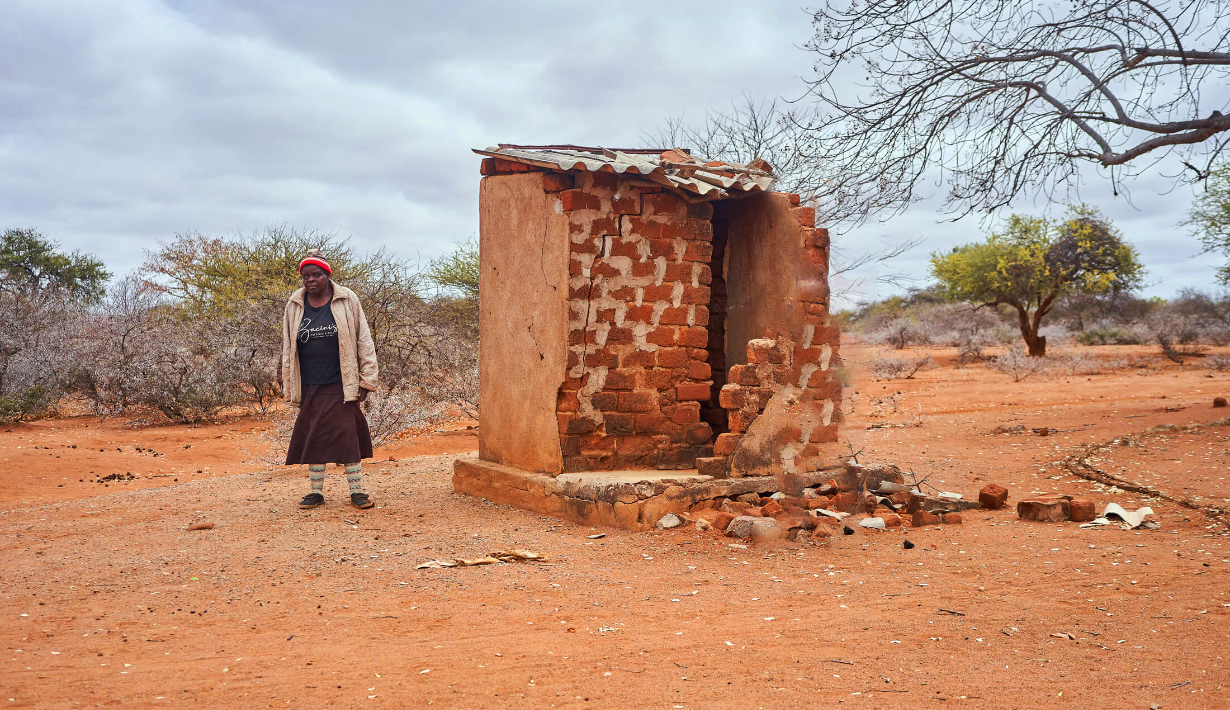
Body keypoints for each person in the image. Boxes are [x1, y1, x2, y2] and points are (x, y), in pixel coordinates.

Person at [281, 249, 379, 509]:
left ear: (327, 276)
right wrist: (290, 385)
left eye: (316, 275)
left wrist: (366, 379)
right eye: (305, 276)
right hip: (311, 383)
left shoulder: (347, 300)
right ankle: (316, 492)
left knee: (348, 435)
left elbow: (363, 339)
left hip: (341, 382)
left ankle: (357, 492)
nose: (310, 280)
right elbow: (287, 348)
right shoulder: (294, 305)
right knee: (314, 436)